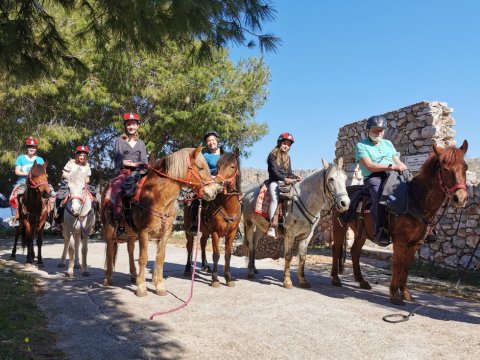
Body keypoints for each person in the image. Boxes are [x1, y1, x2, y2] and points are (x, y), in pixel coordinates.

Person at [355, 115, 408, 245]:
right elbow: (370, 166)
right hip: (374, 177)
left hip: (392, 174)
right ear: (368, 130)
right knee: (380, 199)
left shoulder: (388, 143)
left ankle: (424, 227)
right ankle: (381, 230)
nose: (379, 133)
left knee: (412, 190)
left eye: (381, 130)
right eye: (375, 130)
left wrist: (401, 165)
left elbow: (396, 159)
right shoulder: (361, 145)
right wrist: (392, 166)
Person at [112, 112, 148, 240]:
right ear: (125, 126)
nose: (131, 126)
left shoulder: (141, 143)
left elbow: (144, 161)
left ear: (137, 126)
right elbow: (118, 160)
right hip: (124, 172)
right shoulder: (120, 141)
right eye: (129, 124)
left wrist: (139, 165)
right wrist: (131, 164)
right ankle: (119, 223)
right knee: (118, 188)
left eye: (134, 124)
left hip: (139, 172)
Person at [188, 130, 224, 235]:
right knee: (196, 198)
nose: (211, 142)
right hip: (209, 180)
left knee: (237, 198)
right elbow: (201, 170)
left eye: (212, 140)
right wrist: (210, 177)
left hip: (223, 181)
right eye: (208, 141)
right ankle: (194, 223)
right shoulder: (205, 156)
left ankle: (235, 224)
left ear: (217, 141)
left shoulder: (225, 154)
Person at [266, 132, 301, 239]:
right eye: (285, 143)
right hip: (274, 181)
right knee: (275, 200)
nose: (286, 146)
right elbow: (275, 172)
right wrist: (285, 179)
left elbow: (289, 172)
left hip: (285, 181)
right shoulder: (272, 155)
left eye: (289, 145)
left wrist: (296, 177)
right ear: (280, 143)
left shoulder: (288, 158)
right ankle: (272, 226)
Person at [51, 146, 92, 232]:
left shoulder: (87, 166)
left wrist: (84, 181)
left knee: (95, 197)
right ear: (77, 155)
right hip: (69, 184)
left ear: (86, 157)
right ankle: (57, 221)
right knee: (59, 196)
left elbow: (88, 178)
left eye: (84, 155)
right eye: (80, 155)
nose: (82, 157)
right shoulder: (71, 163)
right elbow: (64, 173)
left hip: (82, 185)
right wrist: (70, 178)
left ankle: (93, 222)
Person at [9, 137, 46, 225]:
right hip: (22, 182)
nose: (31, 149)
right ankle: (16, 217)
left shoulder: (40, 160)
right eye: (29, 147)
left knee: (50, 196)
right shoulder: (21, 158)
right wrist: (29, 174)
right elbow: (17, 171)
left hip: (37, 183)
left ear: (36, 148)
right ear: (27, 148)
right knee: (12, 198)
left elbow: (43, 173)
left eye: (33, 147)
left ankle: (46, 218)